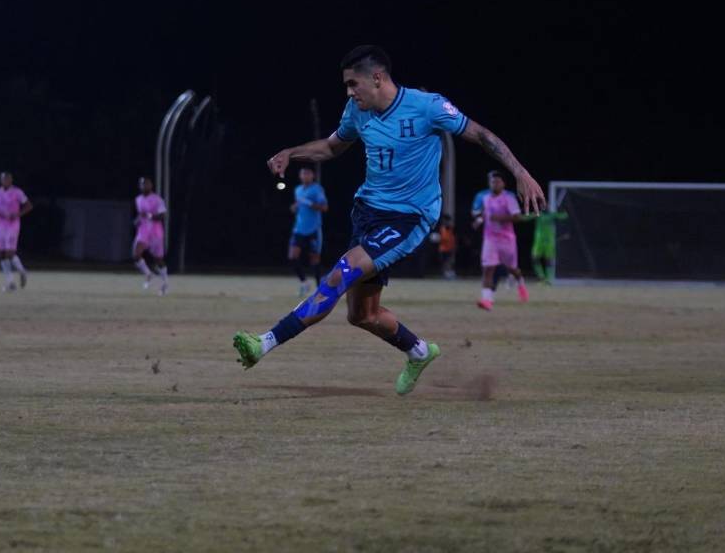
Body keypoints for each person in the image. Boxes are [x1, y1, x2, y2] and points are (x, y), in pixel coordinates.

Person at [232, 45, 545, 396]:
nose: (349, 93)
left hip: (409, 217)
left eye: (353, 84)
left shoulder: (427, 107)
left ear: (377, 78)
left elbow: (482, 135)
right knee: (362, 315)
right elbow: (333, 147)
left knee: (341, 273)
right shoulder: (357, 110)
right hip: (367, 213)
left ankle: (264, 342)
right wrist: (291, 153)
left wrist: (520, 173)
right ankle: (420, 351)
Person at [476, 171, 530, 310]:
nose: (495, 184)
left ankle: (521, 284)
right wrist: (479, 220)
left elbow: (518, 217)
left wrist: (500, 218)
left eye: (497, 181)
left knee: (512, 268)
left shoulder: (509, 198)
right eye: (492, 182)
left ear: (503, 184)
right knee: (488, 268)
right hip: (490, 239)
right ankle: (487, 300)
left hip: (507, 239)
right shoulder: (485, 198)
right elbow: (485, 213)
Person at [288, 165, 328, 297]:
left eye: (307, 173)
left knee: (314, 259)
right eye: (303, 174)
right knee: (293, 256)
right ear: (300, 176)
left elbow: (324, 208)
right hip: (299, 229)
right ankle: (304, 283)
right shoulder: (298, 190)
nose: (305, 176)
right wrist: (295, 207)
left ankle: (319, 290)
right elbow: (298, 207)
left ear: (312, 175)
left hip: (313, 229)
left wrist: (310, 203)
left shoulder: (317, 189)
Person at [0, 171, 32, 291]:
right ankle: (10, 283)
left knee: (9, 253)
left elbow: (28, 205)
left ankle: (22, 271)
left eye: (8, 179)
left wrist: (18, 214)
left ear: (11, 180)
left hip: (13, 225)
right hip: (1, 226)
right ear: (1, 180)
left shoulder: (17, 192)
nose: (6, 181)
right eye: (3, 179)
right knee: (1, 254)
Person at [133, 176, 169, 294]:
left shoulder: (157, 199)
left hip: (156, 232)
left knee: (159, 259)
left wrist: (149, 216)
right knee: (136, 254)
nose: (144, 186)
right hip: (143, 231)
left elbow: (162, 215)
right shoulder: (138, 199)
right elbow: (141, 214)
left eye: (146, 184)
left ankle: (165, 284)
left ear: (151, 185)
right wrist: (137, 220)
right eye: (142, 184)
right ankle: (148, 274)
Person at [528, 208, 568, 286]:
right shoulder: (537, 214)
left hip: (549, 242)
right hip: (539, 241)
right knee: (535, 258)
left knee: (548, 260)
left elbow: (564, 216)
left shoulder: (553, 215)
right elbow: (525, 217)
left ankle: (548, 280)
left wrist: (564, 211)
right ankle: (542, 278)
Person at [434, 213, 457, 279]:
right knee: (444, 261)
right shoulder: (442, 228)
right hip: (443, 248)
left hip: (449, 247)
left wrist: (454, 246)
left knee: (449, 261)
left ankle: (448, 273)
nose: (447, 222)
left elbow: (452, 238)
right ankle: (444, 274)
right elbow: (440, 238)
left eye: (448, 221)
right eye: (446, 220)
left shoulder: (451, 228)